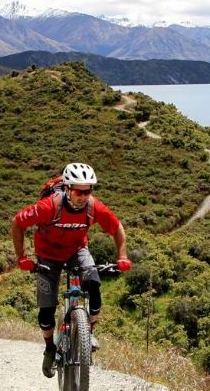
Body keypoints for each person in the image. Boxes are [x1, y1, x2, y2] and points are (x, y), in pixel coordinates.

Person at [11, 162, 132, 378]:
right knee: (46, 310)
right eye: (78, 191)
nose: (84, 196)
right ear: (67, 189)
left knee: (94, 284)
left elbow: (117, 227)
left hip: (77, 249)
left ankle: (87, 335)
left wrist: (122, 257)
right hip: (48, 254)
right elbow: (18, 223)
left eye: (88, 191)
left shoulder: (94, 207)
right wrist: (22, 257)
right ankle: (49, 348)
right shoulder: (49, 206)